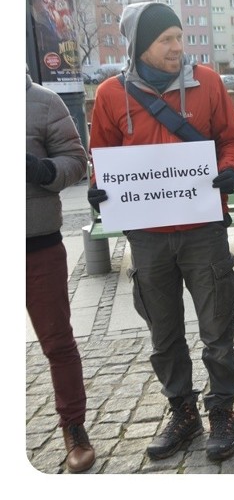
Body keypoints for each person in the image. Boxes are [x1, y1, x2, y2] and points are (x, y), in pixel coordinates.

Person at [88, 2, 234, 461]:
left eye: (180, 36)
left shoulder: (209, 84)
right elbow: (102, 157)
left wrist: (230, 171)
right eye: (167, 40)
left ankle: (222, 412)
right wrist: (99, 190)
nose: (178, 47)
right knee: (164, 332)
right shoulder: (109, 95)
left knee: (217, 328)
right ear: (140, 45)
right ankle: (183, 411)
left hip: (204, 231)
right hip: (147, 236)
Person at [26, 67, 96, 473]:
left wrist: (42, 170)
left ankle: (74, 426)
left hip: (35, 243)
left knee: (57, 341)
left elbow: (75, 160)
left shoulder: (43, 100)